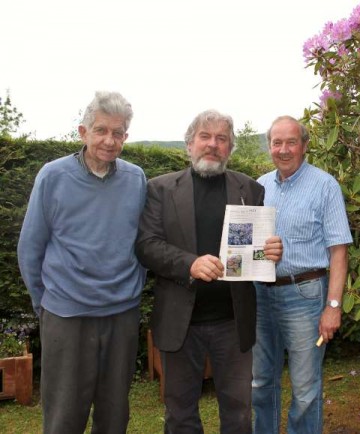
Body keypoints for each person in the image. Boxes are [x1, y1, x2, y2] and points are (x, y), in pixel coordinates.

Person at [135, 109, 283, 434]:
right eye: (205, 137)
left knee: (239, 414)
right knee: (180, 414)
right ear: (189, 144)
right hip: (180, 322)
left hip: (232, 322)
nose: (212, 145)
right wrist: (189, 263)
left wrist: (270, 252)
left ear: (230, 148)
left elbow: (252, 252)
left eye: (221, 139)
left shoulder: (249, 190)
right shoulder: (159, 189)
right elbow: (146, 245)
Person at [17, 91, 146, 434]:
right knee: (64, 417)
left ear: (125, 138)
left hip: (121, 314)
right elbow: (30, 247)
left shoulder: (136, 179)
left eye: (118, 133)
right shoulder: (53, 176)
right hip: (67, 315)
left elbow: (143, 243)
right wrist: (45, 303)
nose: (109, 140)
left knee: (114, 415)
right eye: (101, 130)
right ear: (83, 132)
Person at [252, 115, 353, 434]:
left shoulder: (325, 186)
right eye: (277, 142)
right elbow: (251, 246)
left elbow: (339, 250)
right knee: (259, 383)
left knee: (306, 390)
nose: (283, 149)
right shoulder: (259, 186)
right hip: (260, 295)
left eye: (291, 142)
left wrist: (333, 307)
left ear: (305, 146)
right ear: (269, 146)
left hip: (305, 297)